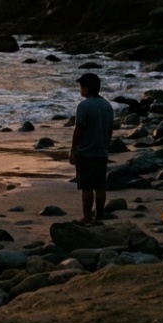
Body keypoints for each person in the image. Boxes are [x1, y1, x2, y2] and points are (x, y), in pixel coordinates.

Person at [69, 72, 115, 224]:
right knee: (100, 187)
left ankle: (87, 217)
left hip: (86, 152)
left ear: (86, 88)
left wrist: (73, 150)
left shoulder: (84, 106)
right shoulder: (107, 106)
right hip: (101, 151)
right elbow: (109, 129)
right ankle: (99, 218)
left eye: (81, 87)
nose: (80, 90)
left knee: (87, 187)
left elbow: (80, 128)